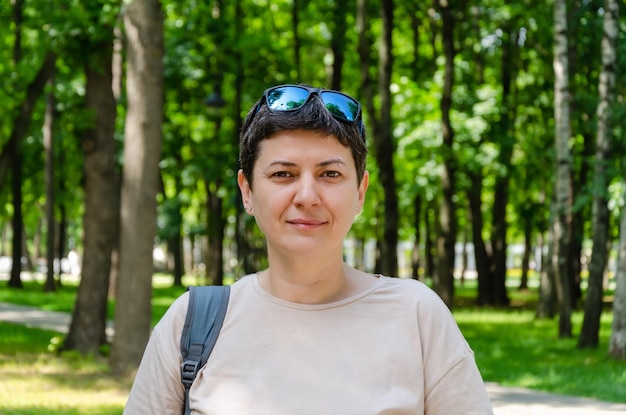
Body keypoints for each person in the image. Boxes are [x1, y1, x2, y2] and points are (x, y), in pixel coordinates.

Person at [123, 84, 494, 414]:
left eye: (329, 174)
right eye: (283, 174)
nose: (307, 196)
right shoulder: (191, 323)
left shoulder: (418, 316)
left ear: (360, 192)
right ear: (247, 191)